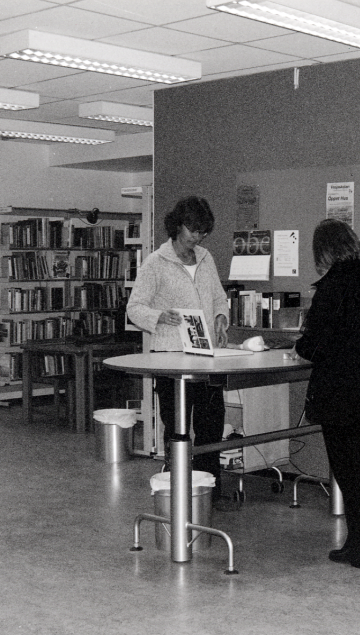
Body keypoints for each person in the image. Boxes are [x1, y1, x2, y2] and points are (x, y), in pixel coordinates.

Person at [292, 219, 360, 570]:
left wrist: (298, 345)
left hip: (342, 397)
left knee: (349, 473)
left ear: (323, 252)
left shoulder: (333, 287)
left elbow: (314, 345)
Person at [126, 196, 230, 501]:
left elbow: (218, 298)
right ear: (177, 226)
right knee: (178, 429)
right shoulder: (155, 263)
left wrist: (221, 318)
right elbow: (134, 307)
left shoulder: (206, 259)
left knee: (211, 426)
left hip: (205, 357)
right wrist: (159, 316)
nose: (196, 238)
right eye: (192, 231)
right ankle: (177, 491)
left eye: (202, 233)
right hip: (171, 360)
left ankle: (209, 491)